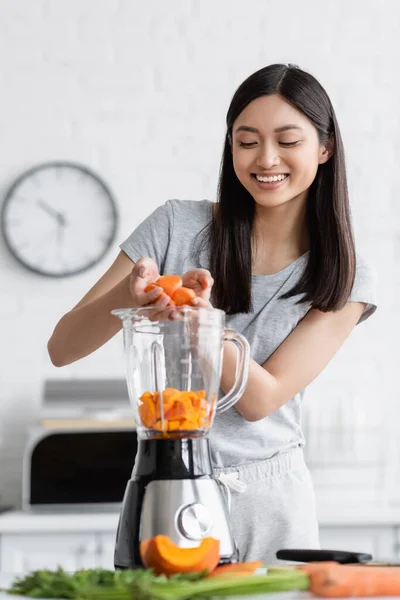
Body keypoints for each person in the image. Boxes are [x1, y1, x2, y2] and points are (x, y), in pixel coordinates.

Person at [47, 63, 377, 564]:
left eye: (288, 140)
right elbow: (61, 347)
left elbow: (259, 400)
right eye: (247, 142)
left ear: (324, 149)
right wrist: (134, 302)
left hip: (273, 505)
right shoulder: (176, 226)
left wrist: (201, 323)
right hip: (167, 483)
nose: (266, 159)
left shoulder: (344, 274)